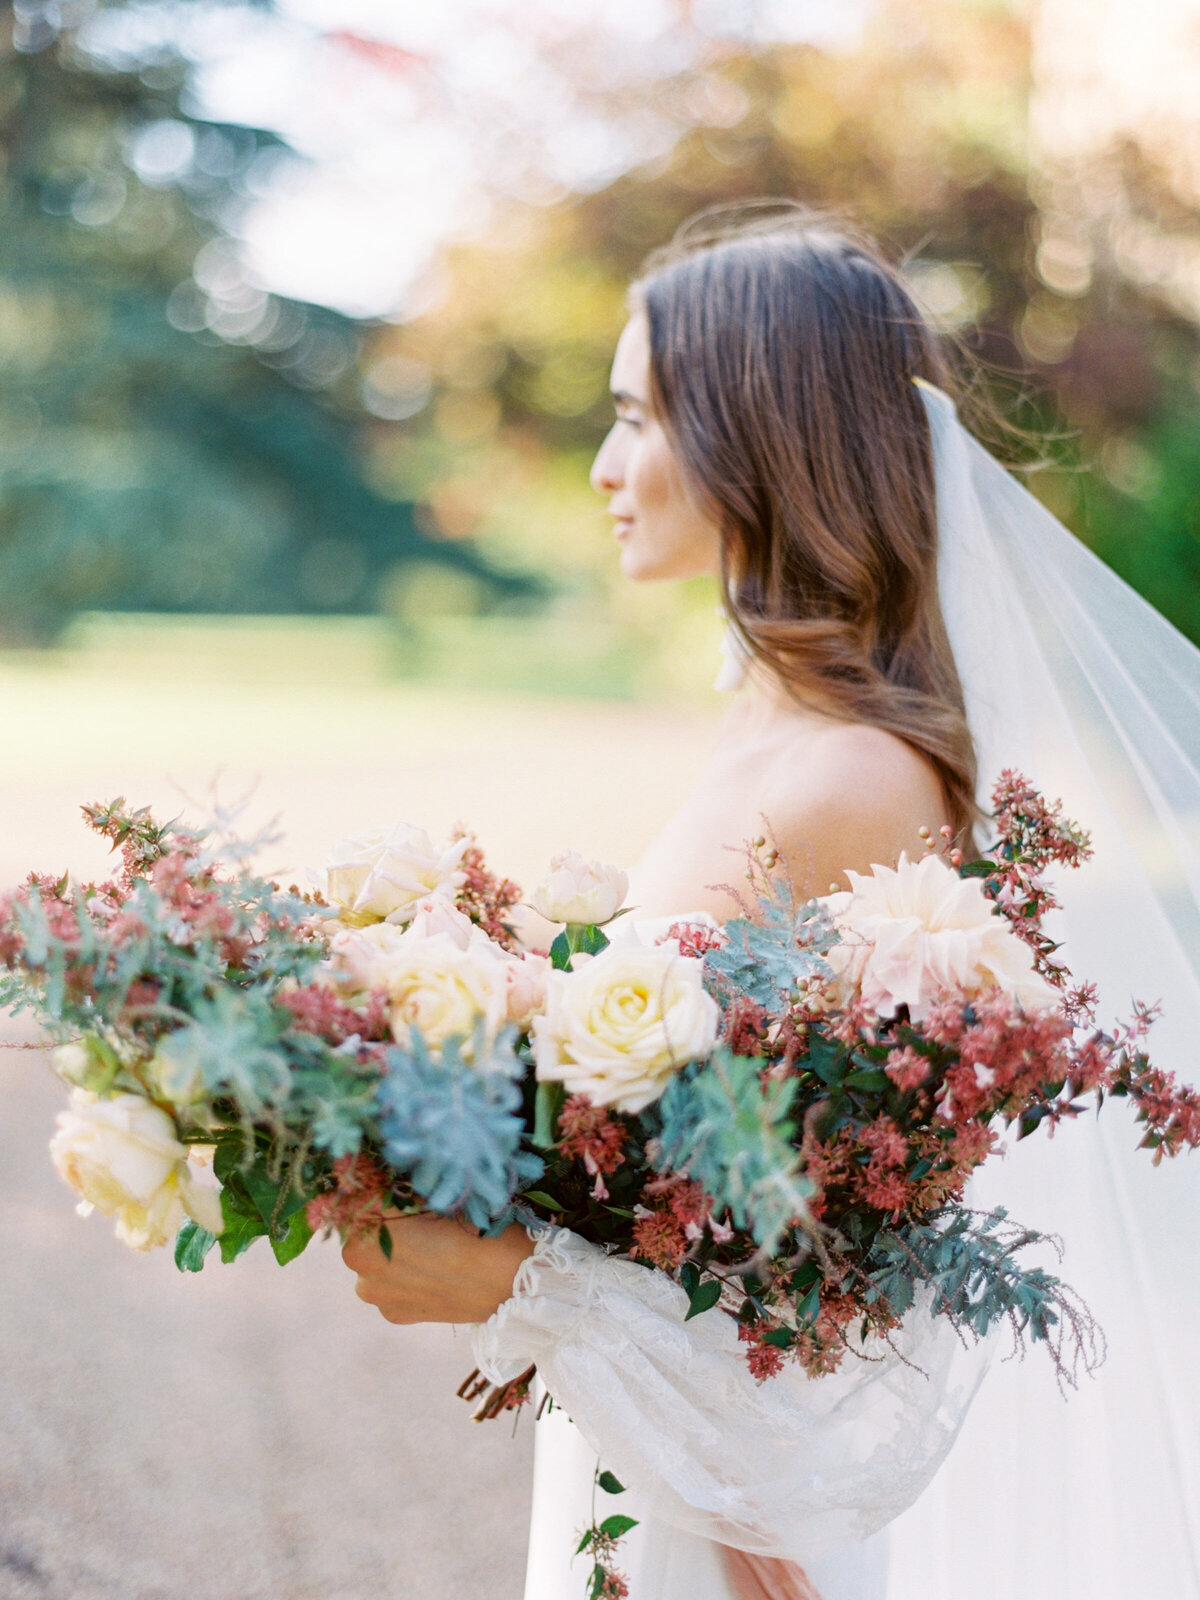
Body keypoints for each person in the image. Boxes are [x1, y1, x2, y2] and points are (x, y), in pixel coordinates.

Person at [342, 204, 1200, 1600]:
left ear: (755, 437)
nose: (609, 468)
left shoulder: (856, 780)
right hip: (646, 1454)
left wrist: (514, 1280)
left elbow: (837, 1292)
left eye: (638, 419)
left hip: (730, 1529)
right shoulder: (769, 730)